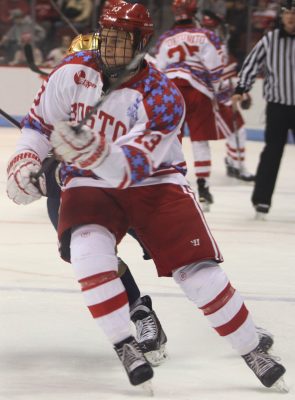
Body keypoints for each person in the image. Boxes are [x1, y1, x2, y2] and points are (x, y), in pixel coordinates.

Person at [6, 0, 286, 390]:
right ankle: (126, 341)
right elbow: (38, 125)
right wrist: (24, 163)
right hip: (89, 181)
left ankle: (250, 345)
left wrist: (91, 150)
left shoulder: (163, 95)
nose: (112, 46)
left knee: (197, 272)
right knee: (86, 251)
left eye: (123, 39)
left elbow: (131, 166)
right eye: (109, 36)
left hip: (154, 181)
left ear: (142, 42)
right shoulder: (72, 72)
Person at [232, 0, 295, 219]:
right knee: (272, 153)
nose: (291, 17)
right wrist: (241, 88)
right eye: (288, 13)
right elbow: (251, 63)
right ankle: (261, 200)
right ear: (282, 15)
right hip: (277, 106)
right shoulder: (270, 39)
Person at [199, 9, 255, 182]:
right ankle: (235, 165)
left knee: (237, 129)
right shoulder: (209, 47)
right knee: (235, 129)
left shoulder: (216, 47)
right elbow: (212, 79)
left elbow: (225, 76)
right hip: (207, 99)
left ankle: (234, 163)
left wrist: (240, 92)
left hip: (214, 98)